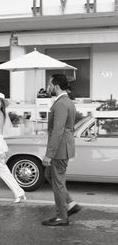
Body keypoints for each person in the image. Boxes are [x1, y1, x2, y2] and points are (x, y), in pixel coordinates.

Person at [42, 74, 81, 226]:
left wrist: (48, 155)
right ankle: (70, 204)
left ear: (56, 86)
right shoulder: (67, 101)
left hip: (59, 149)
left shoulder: (60, 104)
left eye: (50, 84)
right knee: (49, 175)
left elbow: (57, 130)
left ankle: (61, 217)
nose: (49, 87)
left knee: (57, 182)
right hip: (64, 146)